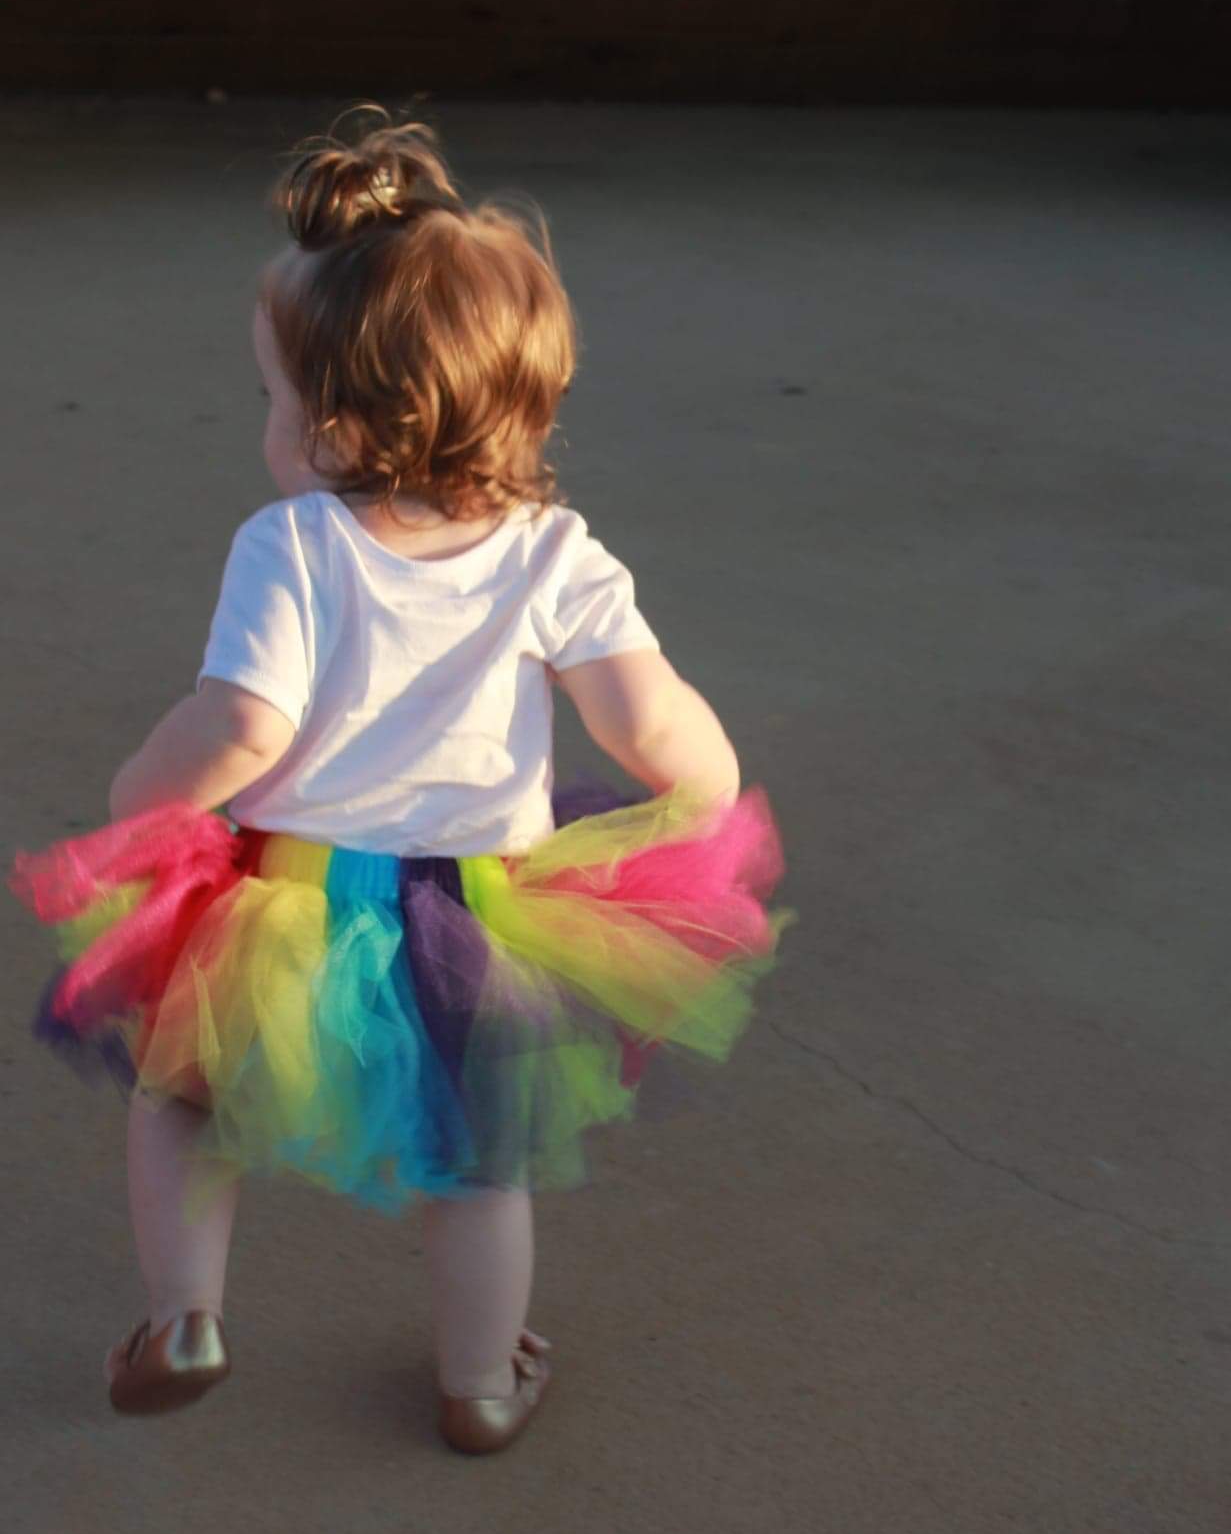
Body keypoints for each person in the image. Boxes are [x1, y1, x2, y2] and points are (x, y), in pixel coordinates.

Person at [7, 105, 790, 1456]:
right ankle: (479, 1382)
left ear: (338, 426)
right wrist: (704, 792)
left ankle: (185, 1313)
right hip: (478, 914)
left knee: (183, 1096)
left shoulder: (293, 543)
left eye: (273, 396)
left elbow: (241, 726)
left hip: (279, 900)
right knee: (478, 1162)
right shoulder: (555, 553)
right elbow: (652, 718)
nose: (267, 424)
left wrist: (148, 789)